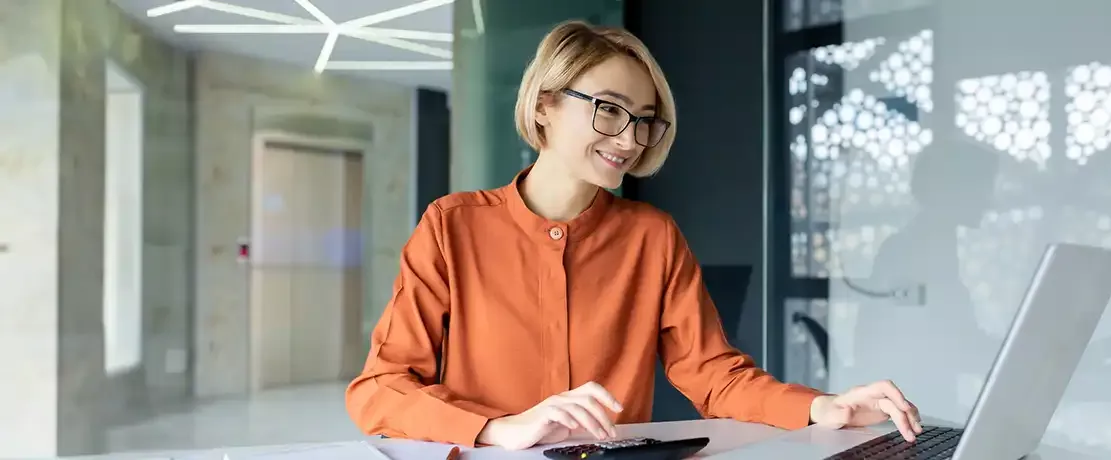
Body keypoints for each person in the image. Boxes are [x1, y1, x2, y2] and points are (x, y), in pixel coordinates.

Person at [344, 20, 922, 451]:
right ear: (544, 105)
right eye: (609, 109)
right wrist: (499, 428)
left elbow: (715, 375)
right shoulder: (452, 226)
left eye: (645, 118)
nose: (631, 137)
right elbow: (379, 389)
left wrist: (824, 407)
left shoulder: (653, 237)